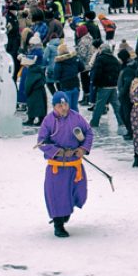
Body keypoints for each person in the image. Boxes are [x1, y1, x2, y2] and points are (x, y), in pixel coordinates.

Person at [36, 92, 94, 238]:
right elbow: (41, 142)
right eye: (59, 105)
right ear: (54, 106)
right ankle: (58, 224)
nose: (63, 108)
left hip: (75, 165)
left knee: (78, 192)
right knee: (58, 196)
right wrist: (59, 151)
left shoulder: (76, 117)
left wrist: (82, 149)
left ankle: (66, 212)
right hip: (57, 168)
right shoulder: (48, 121)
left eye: (65, 104)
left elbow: (88, 133)